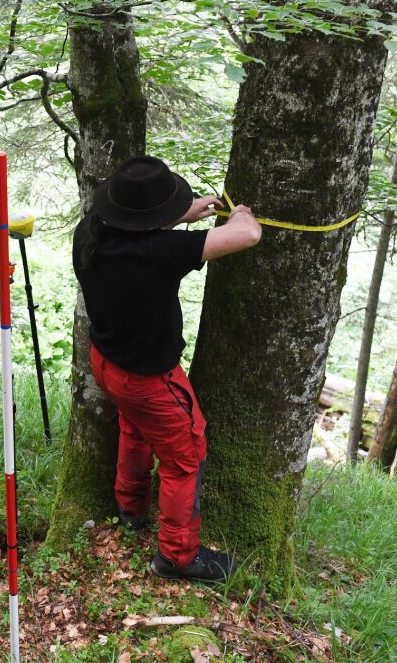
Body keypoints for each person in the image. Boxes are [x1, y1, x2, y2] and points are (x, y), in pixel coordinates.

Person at [72, 155, 262, 582]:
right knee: (185, 457)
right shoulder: (160, 253)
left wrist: (182, 213)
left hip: (107, 363)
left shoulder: (91, 231)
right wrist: (245, 211)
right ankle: (177, 557)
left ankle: (130, 508)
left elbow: (140, 232)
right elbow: (246, 233)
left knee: (135, 430)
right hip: (150, 381)